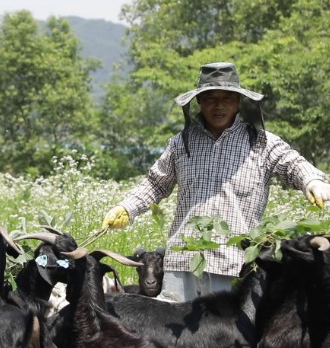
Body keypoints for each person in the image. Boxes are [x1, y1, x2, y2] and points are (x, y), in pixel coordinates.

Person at [101, 62, 330, 302]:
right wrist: (126, 208)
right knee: (172, 337)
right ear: (199, 101)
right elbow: (155, 183)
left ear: (238, 101)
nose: (219, 105)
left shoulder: (261, 143)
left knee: (231, 338)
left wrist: (312, 182)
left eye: (227, 98)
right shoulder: (182, 143)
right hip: (183, 264)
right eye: (210, 98)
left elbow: (292, 163)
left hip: (235, 266)